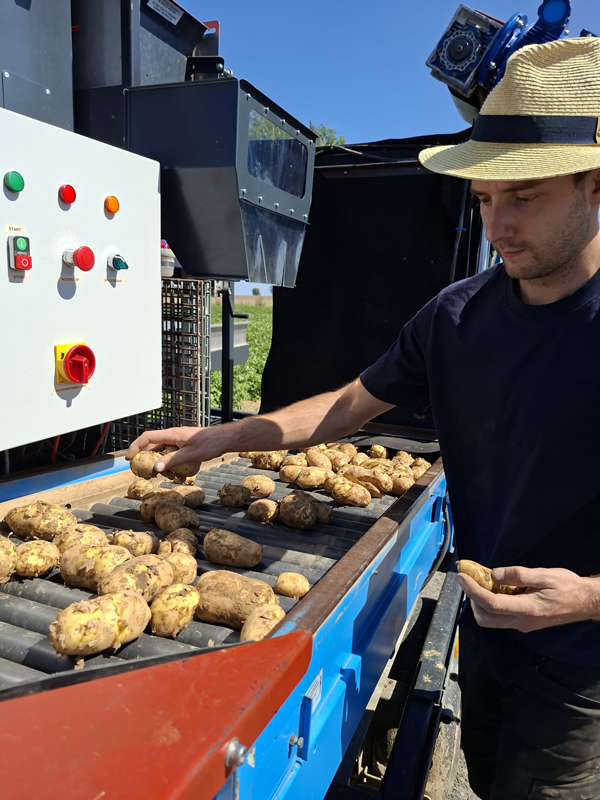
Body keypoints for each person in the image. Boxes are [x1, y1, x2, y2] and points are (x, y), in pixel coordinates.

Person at [128, 38, 600, 800]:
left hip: (583, 650)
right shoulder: (457, 316)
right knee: (486, 776)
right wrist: (218, 437)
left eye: (526, 195)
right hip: (487, 626)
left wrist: (587, 596)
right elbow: (348, 404)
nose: (498, 224)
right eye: (484, 199)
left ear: (594, 186)